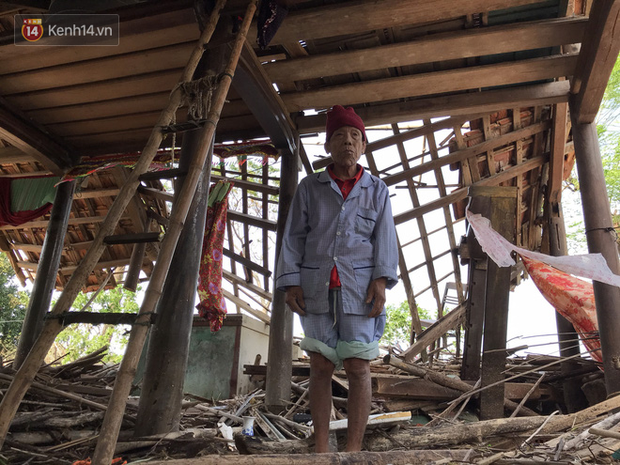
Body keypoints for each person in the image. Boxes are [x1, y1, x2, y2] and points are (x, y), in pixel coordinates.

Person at [275, 105, 399, 452]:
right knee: (320, 365)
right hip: (314, 286)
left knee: (358, 367)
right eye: (340, 136)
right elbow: (293, 236)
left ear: (364, 146)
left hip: (359, 289)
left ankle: (353, 450)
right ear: (328, 145)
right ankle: (321, 448)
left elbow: (385, 238)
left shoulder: (377, 189)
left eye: (355, 136)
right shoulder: (310, 187)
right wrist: (290, 281)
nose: (348, 142)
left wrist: (381, 281)